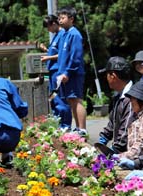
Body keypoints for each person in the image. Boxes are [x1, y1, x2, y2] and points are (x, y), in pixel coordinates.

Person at [56, 6, 87, 136]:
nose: (60, 20)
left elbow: (76, 56)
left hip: (73, 74)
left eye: (63, 18)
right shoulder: (63, 33)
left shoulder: (75, 34)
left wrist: (67, 72)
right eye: (59, 18)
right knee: (71, 101)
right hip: (64, 74)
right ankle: (78, 128)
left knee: (76, 100)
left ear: (71, 19)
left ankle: (82, 129)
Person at [40, 14, 72, 130]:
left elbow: (63, 54)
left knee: (61, 99)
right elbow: (55, 52)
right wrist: (47, 51)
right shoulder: (56, 36)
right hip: (52, 74)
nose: (48, 30)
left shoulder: (63, 34)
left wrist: (47, 58)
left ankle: (65, 125)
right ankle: (58, 123)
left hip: (58, 72)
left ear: (54, 23)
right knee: (53, 98)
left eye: (48, 27)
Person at [97, 56, 133, 154]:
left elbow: (126, 128)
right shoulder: (118, 96)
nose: (106, 78)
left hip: (129, 154)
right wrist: (103, 139)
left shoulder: (131, 98)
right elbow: (113, 122)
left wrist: (115, 150)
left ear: (113, 76)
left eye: (107, 75)